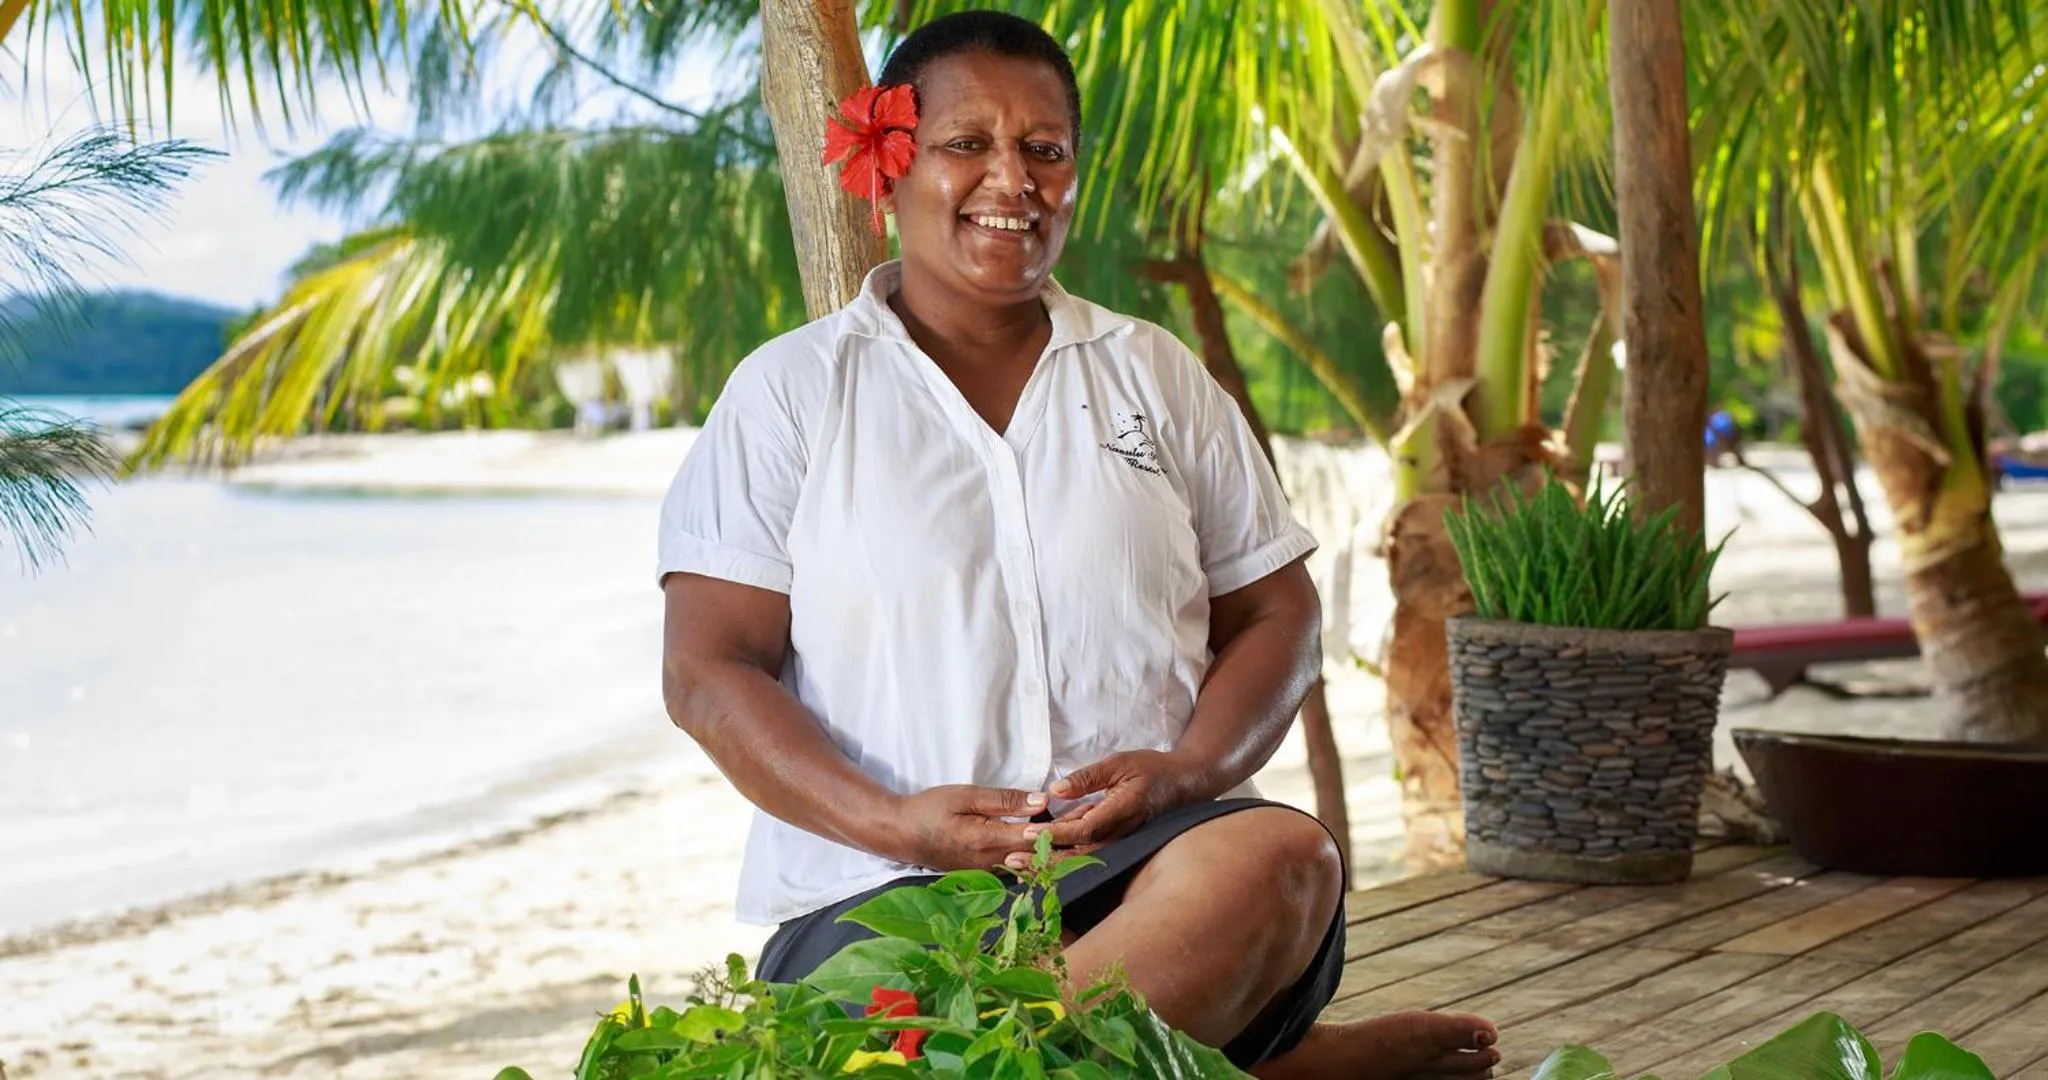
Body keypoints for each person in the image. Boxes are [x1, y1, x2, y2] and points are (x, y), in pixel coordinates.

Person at [655, 11, 1499, 1078]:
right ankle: (1239, 1066)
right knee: (927, 1019)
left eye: (1043, 149)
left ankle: (1009, 1060)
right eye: (967, 143)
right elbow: (707, 669)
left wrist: (1191, 771)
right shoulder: (790, 393)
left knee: (1284, 857)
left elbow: (1276, 613)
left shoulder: (1156, 375)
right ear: (889, 161)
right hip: (879, 902)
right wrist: (900, 824)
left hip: (1149, 884)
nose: (1012, 179)